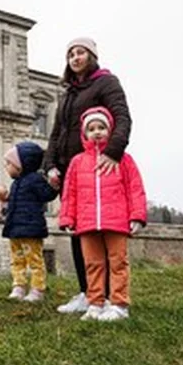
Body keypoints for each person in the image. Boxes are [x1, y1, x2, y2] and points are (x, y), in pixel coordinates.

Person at [42, 36, 133, 314]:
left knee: (105, 234)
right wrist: (50, 165)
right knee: (79, 233)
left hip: (102, 166)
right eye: (70, 54)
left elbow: (122, 117)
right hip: (74, 170)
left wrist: (113, 152)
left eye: (80, 52)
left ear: (91, 56)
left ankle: (110, 297)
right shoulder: (68, 92)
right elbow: (57, 132)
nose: (75, 57)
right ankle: (88, 292)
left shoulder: (107, 83)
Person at [57, 107, 147, 321]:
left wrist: (137, 216)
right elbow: (70, 192)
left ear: (110, 130)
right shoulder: (78, 162)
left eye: (101, 127)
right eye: (91, 128)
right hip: (87, 223)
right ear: (84, 133)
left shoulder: (124, 160)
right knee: (93, 264)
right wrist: (67, 218)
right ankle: (96, 302)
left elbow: (135, 188)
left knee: (118, 263)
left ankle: (119, 304)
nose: (97, 132)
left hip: (116, 221)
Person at [0, 141, 59, 302]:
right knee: (17, 259)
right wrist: (4, 205)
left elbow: (47, 195)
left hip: (31, 228)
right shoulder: (16, 183)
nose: (7, 167)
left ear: (21, 165)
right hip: (15, 228)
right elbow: (14, 204)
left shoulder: (35, 179)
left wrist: (53, 186)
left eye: (9, 163)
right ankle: (18, 286)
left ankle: (37, 288)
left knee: (34, 260)